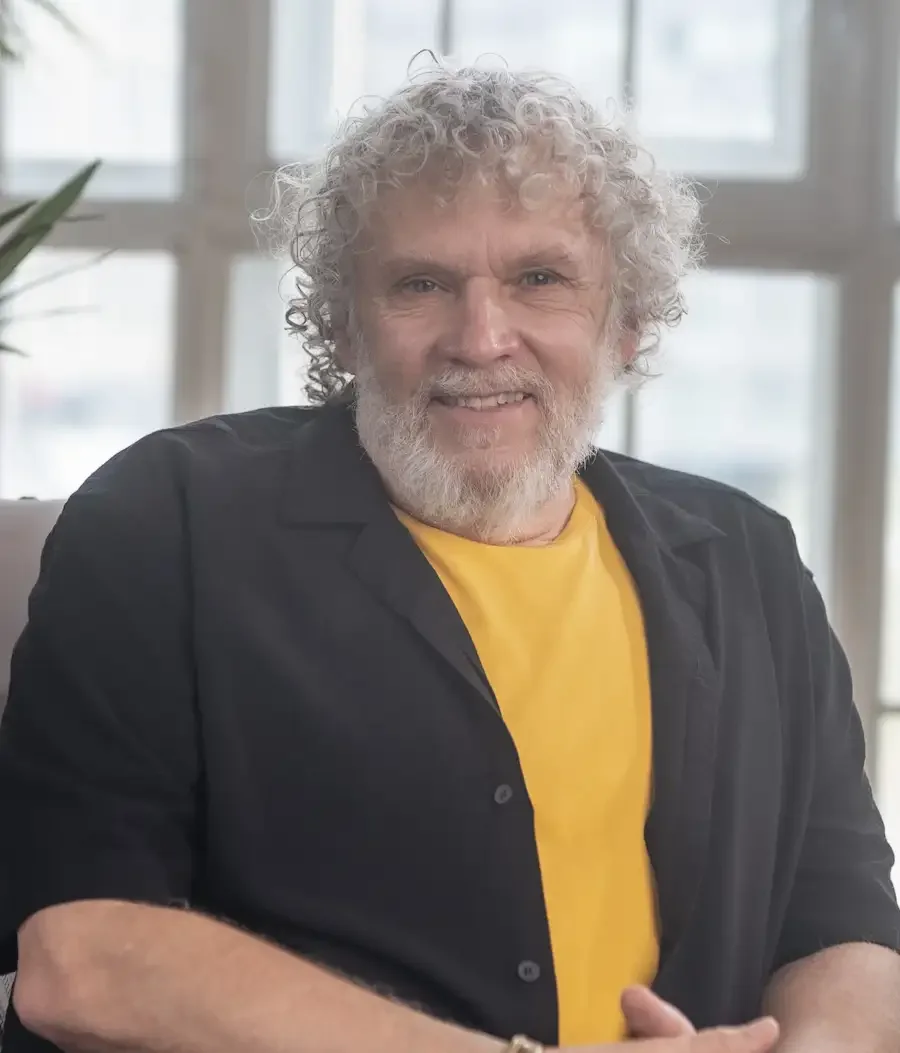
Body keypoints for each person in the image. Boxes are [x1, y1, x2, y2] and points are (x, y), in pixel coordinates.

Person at [1, 61, 898, 1053]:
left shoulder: (747, 561)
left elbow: (844, 926)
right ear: (343, 321)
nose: (480, 338)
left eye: (539, 279)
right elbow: (77, 955)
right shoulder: (165, 525)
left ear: (628, 323)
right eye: (420, 284)